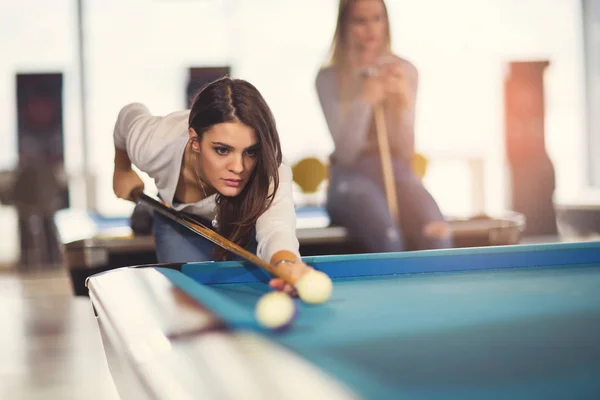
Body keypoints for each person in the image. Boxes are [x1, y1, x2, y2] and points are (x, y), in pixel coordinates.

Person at [113, 77, 306, 292]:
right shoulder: (155, 144)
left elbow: (276, 227)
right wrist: (121, 169)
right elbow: (128, 114)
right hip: (178, 221)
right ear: (195, 141)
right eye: (223, 150)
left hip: (243, 220)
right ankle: (145, 213)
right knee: (187, 298)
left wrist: (286, 263)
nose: (238, 167)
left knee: (252, 292)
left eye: (250, 151)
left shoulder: (270, 168)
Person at [315, 0, 452, 252]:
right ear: (344, 25)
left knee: (438, 232)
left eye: (378, 18)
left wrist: (403, 104)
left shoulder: (406, 71)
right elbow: (347, 153)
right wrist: (365, 100)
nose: (371, 29)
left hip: (398, 171)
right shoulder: (327, 78)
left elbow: (405, 150)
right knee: (388, 238)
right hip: (350, 177)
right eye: (360, 21)